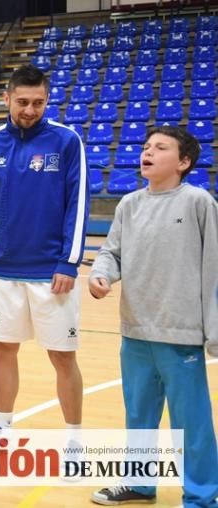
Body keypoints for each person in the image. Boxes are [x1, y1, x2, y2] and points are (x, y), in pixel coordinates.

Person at [88, 126, 218, 507]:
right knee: (139, 417)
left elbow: (214, 267)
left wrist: (213, 330)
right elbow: (112, 252)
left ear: (183, 162)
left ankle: (202, 495)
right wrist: (102, 274)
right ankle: (139, 484)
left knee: (190, 424)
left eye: (161, 148)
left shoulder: (198, 202)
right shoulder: (129, 203)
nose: (148, 152)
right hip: (136, 330)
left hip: (182, 333)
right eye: (146, 146)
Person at [0, 63, 90, 440]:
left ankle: (74, 436)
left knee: (62, 357)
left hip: (52, 273)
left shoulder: (67, 141)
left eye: (38, 102)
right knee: (3, 351)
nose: (30, 110)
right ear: (6, 99)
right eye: (22, 101)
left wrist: (68, 262)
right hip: (3, 271)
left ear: (47, 100)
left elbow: (78, 204)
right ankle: (2, 424)